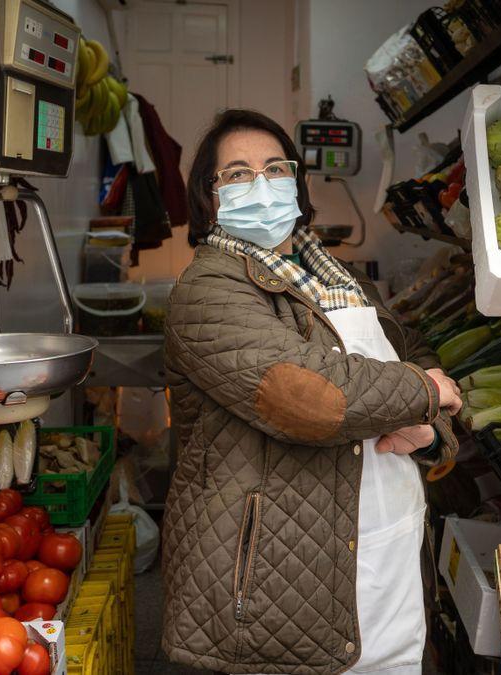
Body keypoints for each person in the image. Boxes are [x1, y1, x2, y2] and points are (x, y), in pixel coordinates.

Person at [162, 109, 462, 675]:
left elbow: (414, 350)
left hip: (385, 545)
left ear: (296, 183)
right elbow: (311, 398)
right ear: (209, 197)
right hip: (281, 571)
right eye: (237, 173)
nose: (261, 184)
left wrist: (429, 431)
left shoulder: (336, 277)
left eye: (275, 168)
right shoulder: (205, 293)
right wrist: (425, 394)